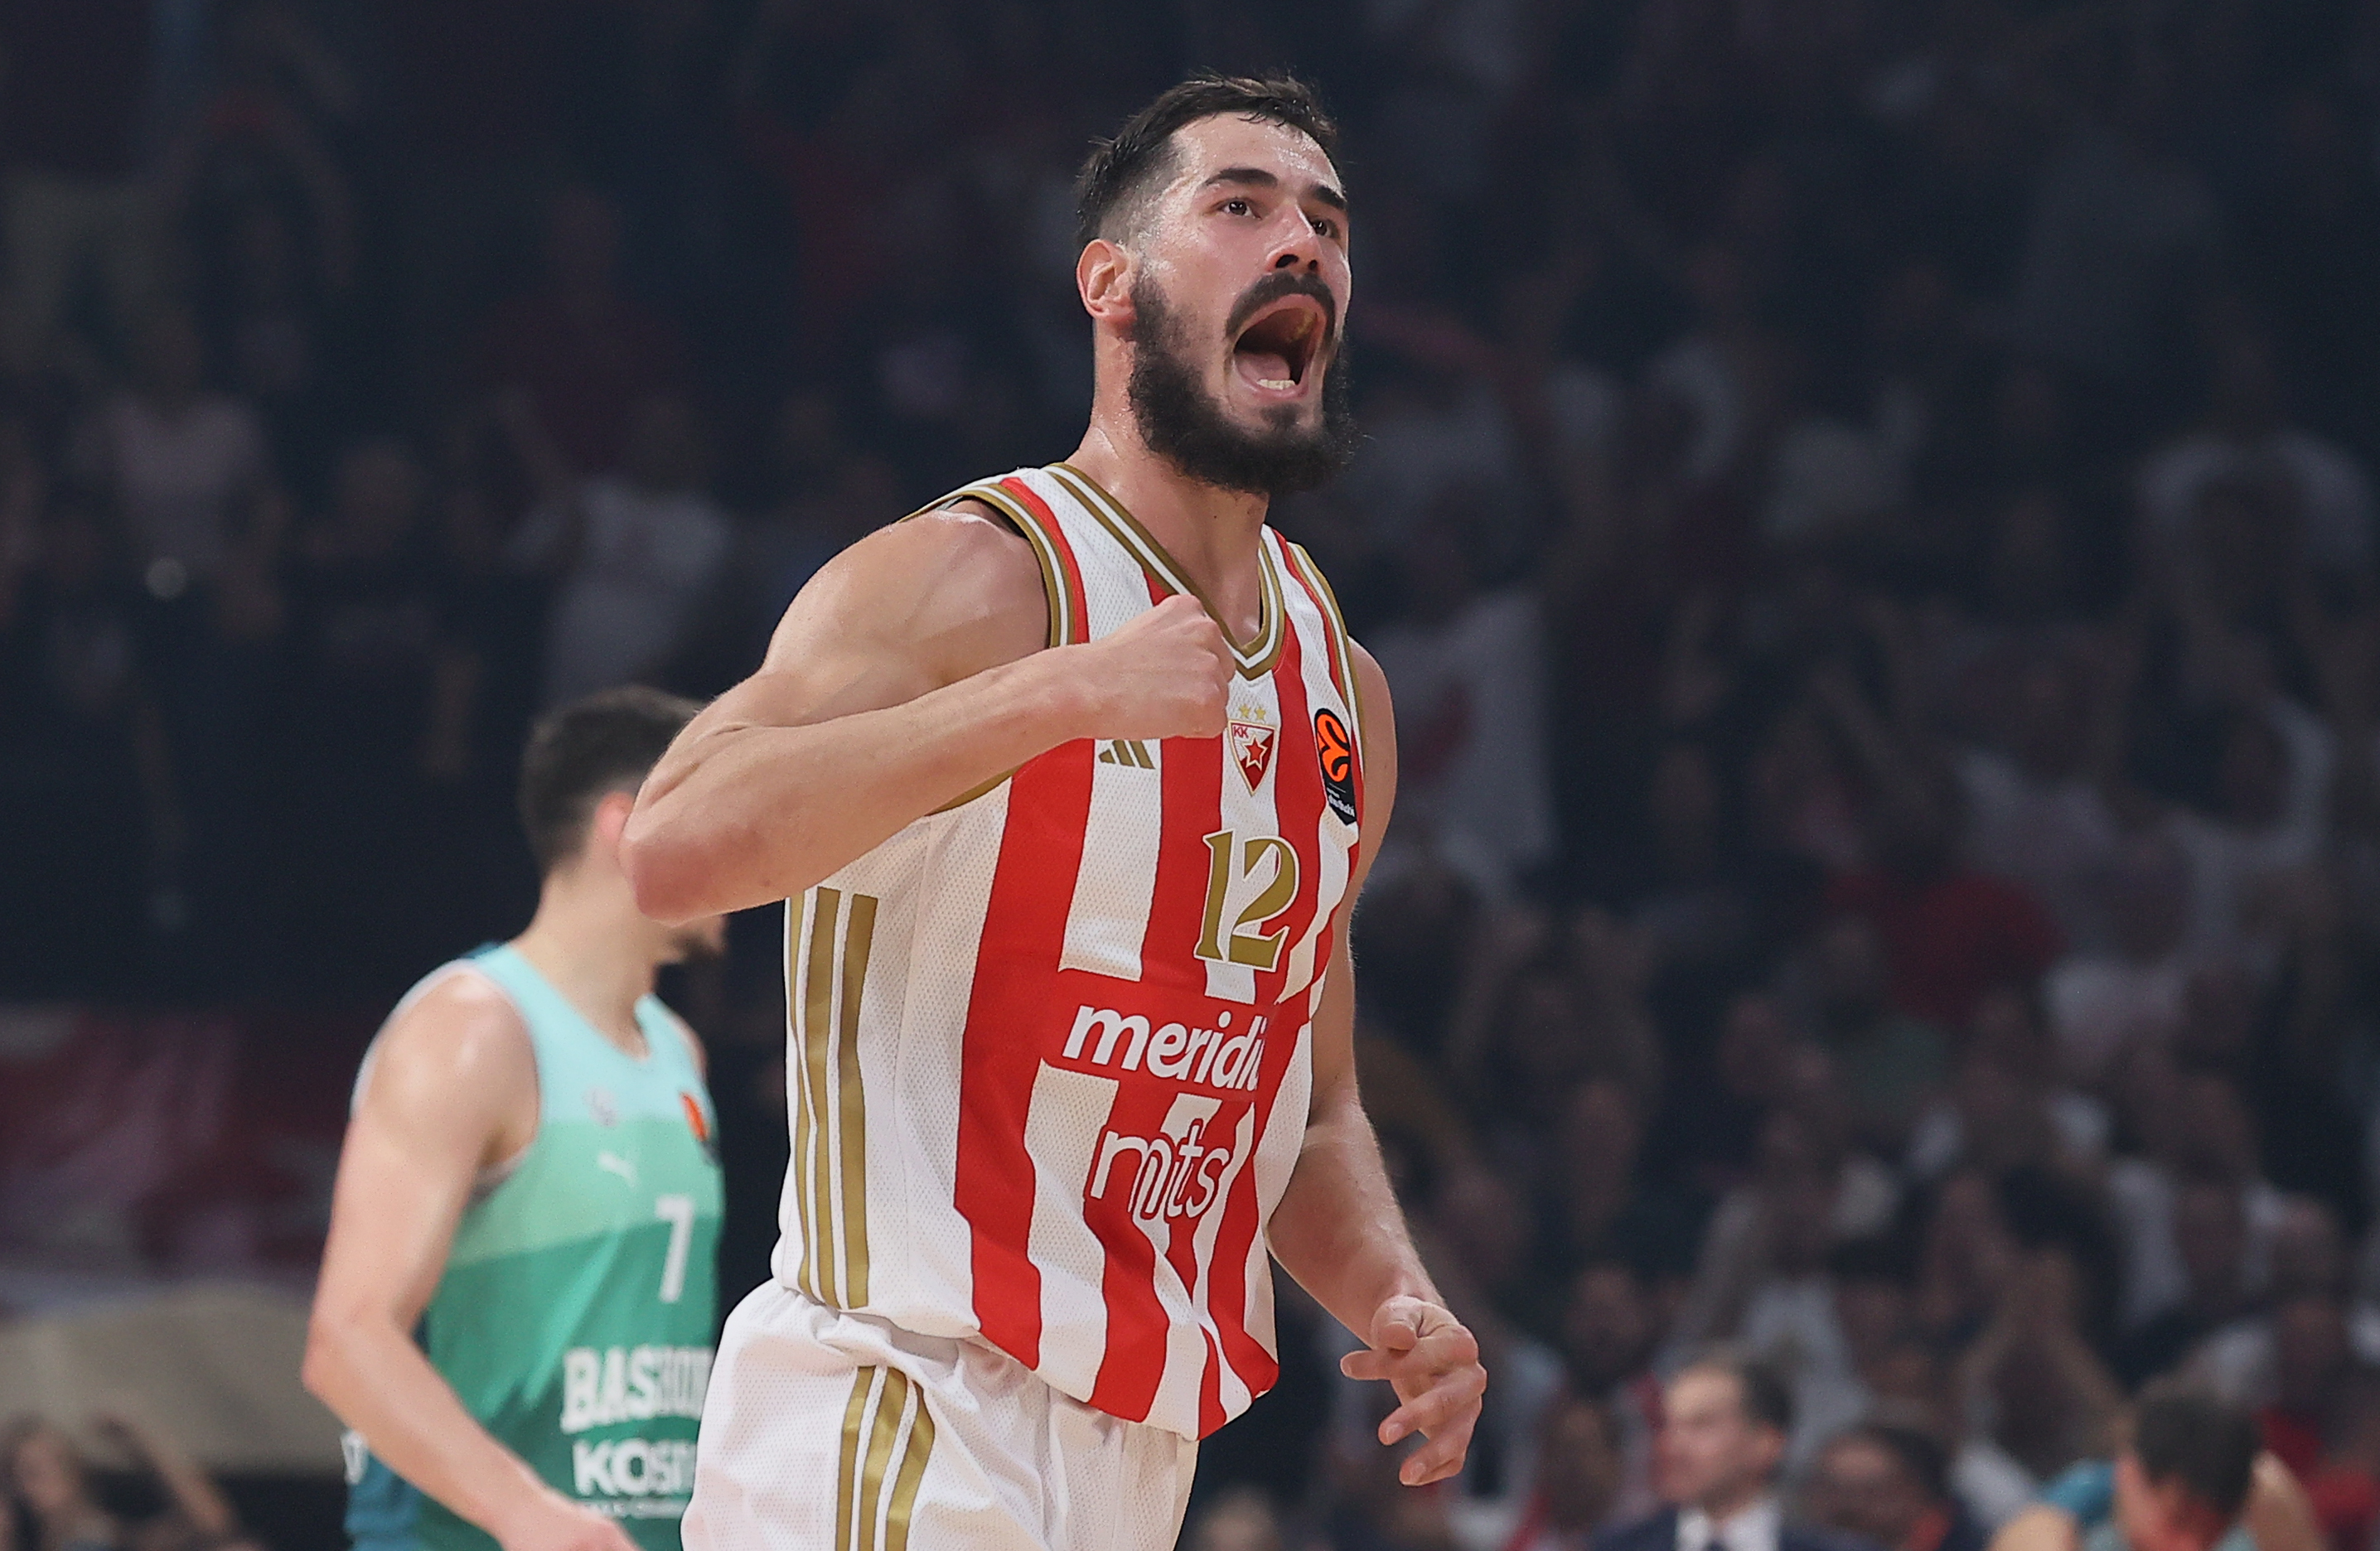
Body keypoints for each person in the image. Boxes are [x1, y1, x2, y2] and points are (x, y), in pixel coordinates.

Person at [622, 74, 1486, 1551]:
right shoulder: (977, 574)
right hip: (904, 1407)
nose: (1302, 243)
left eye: (1328, 224)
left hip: (1131, 1463)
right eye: (1240, 206)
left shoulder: (1344, 694)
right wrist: (1058, 695)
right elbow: (672, 844)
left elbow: (1305, 1097)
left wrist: (1394, 1291)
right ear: (1111, 283)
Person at [304, 687, 727, 1551]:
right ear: (626, 825)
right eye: (729, 806)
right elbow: (347, 1341)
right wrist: (523, 1511)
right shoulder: (473, 1029)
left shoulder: (677, 1051)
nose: (757, 840)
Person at [1986, 1382, 2320, 1551]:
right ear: (2131, 1475)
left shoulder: (2265, 1495)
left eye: (2209, 1532)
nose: (2189, 1547)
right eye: (2178, 1520)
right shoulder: (2053, 1527)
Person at [1590, 1352, 1865, 1551]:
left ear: (1765, 1443)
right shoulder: (1615, 1547)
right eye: (1668, 1425)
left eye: (1701, 1425)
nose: (1673, 1445)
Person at [1806, 1424, 1987, 1551]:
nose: (1848, 1506)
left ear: (1916, 1492)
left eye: (1871, 1492)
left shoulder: (1977, 1544)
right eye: (1830, 1490)